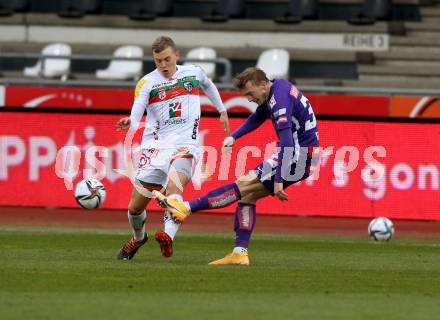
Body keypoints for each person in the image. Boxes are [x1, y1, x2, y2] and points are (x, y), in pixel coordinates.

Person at [153, 67, 319, 265]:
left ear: (263, 85)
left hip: (297, 155)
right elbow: (258, 116)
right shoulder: (277, 87)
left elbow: (287, 143)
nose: (249, 98)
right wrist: (234, 136)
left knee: (243, 184)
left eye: (250, 93)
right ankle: (240, 253)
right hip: (301, 154)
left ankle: (185, 208)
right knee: (248, 196)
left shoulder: (280, 100)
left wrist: (278, 179)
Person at [115, 36, 230, 260]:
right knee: (135, 208)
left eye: (167, 59)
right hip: (156, 148)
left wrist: (221, 110)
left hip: (186, 144)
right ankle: (138, 238)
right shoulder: (147, 82)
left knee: (174, 189)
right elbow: (138, 107)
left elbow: (208, 84)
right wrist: (132, 121)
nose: (163, 65)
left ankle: (167, 236)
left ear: (177, 55)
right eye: (158, 61)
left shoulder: (193, 73)